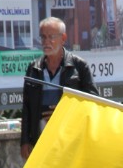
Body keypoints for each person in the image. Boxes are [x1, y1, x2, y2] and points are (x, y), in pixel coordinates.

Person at [20, 17, 99, 160]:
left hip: (71, 140)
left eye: (51, 37)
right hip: (41, 140)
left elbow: (93, 104)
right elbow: (26, 108)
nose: (46, 42)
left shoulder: (79, 66)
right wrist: (25, 141)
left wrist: (63, 113)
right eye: (43, 37)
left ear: (63, 38)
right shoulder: (33, 68)